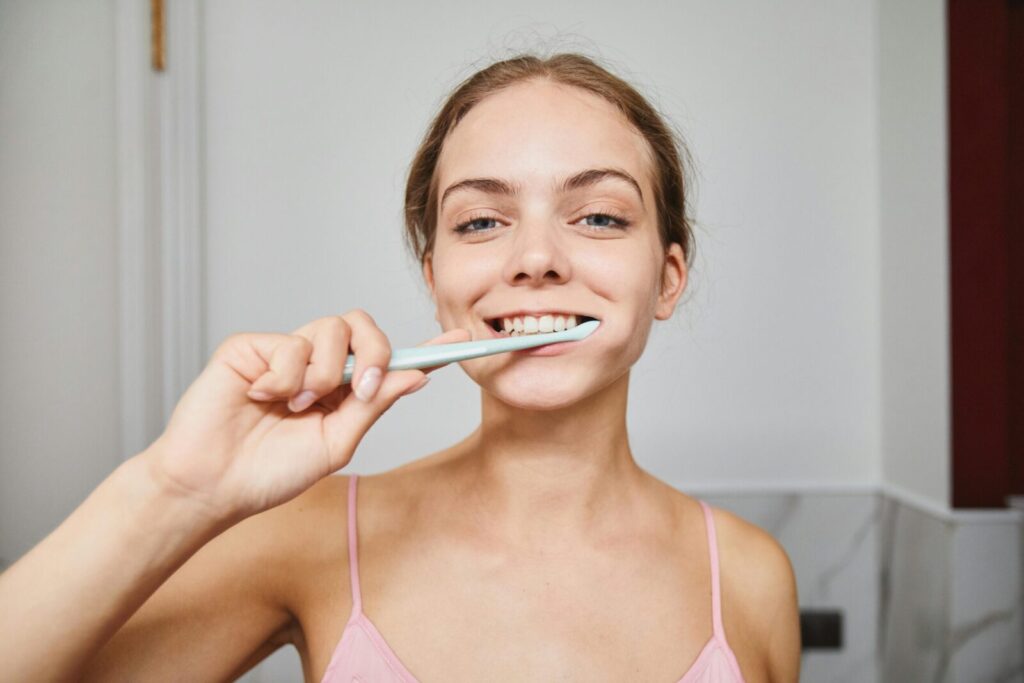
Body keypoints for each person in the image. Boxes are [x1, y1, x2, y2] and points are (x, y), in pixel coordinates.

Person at [0, 52, 800, 682]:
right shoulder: (311, 535)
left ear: (667, 277)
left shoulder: (751, 576)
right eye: (482, 220)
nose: (534, 257)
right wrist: (174, 490)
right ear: (435, 280)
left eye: (598, 215)